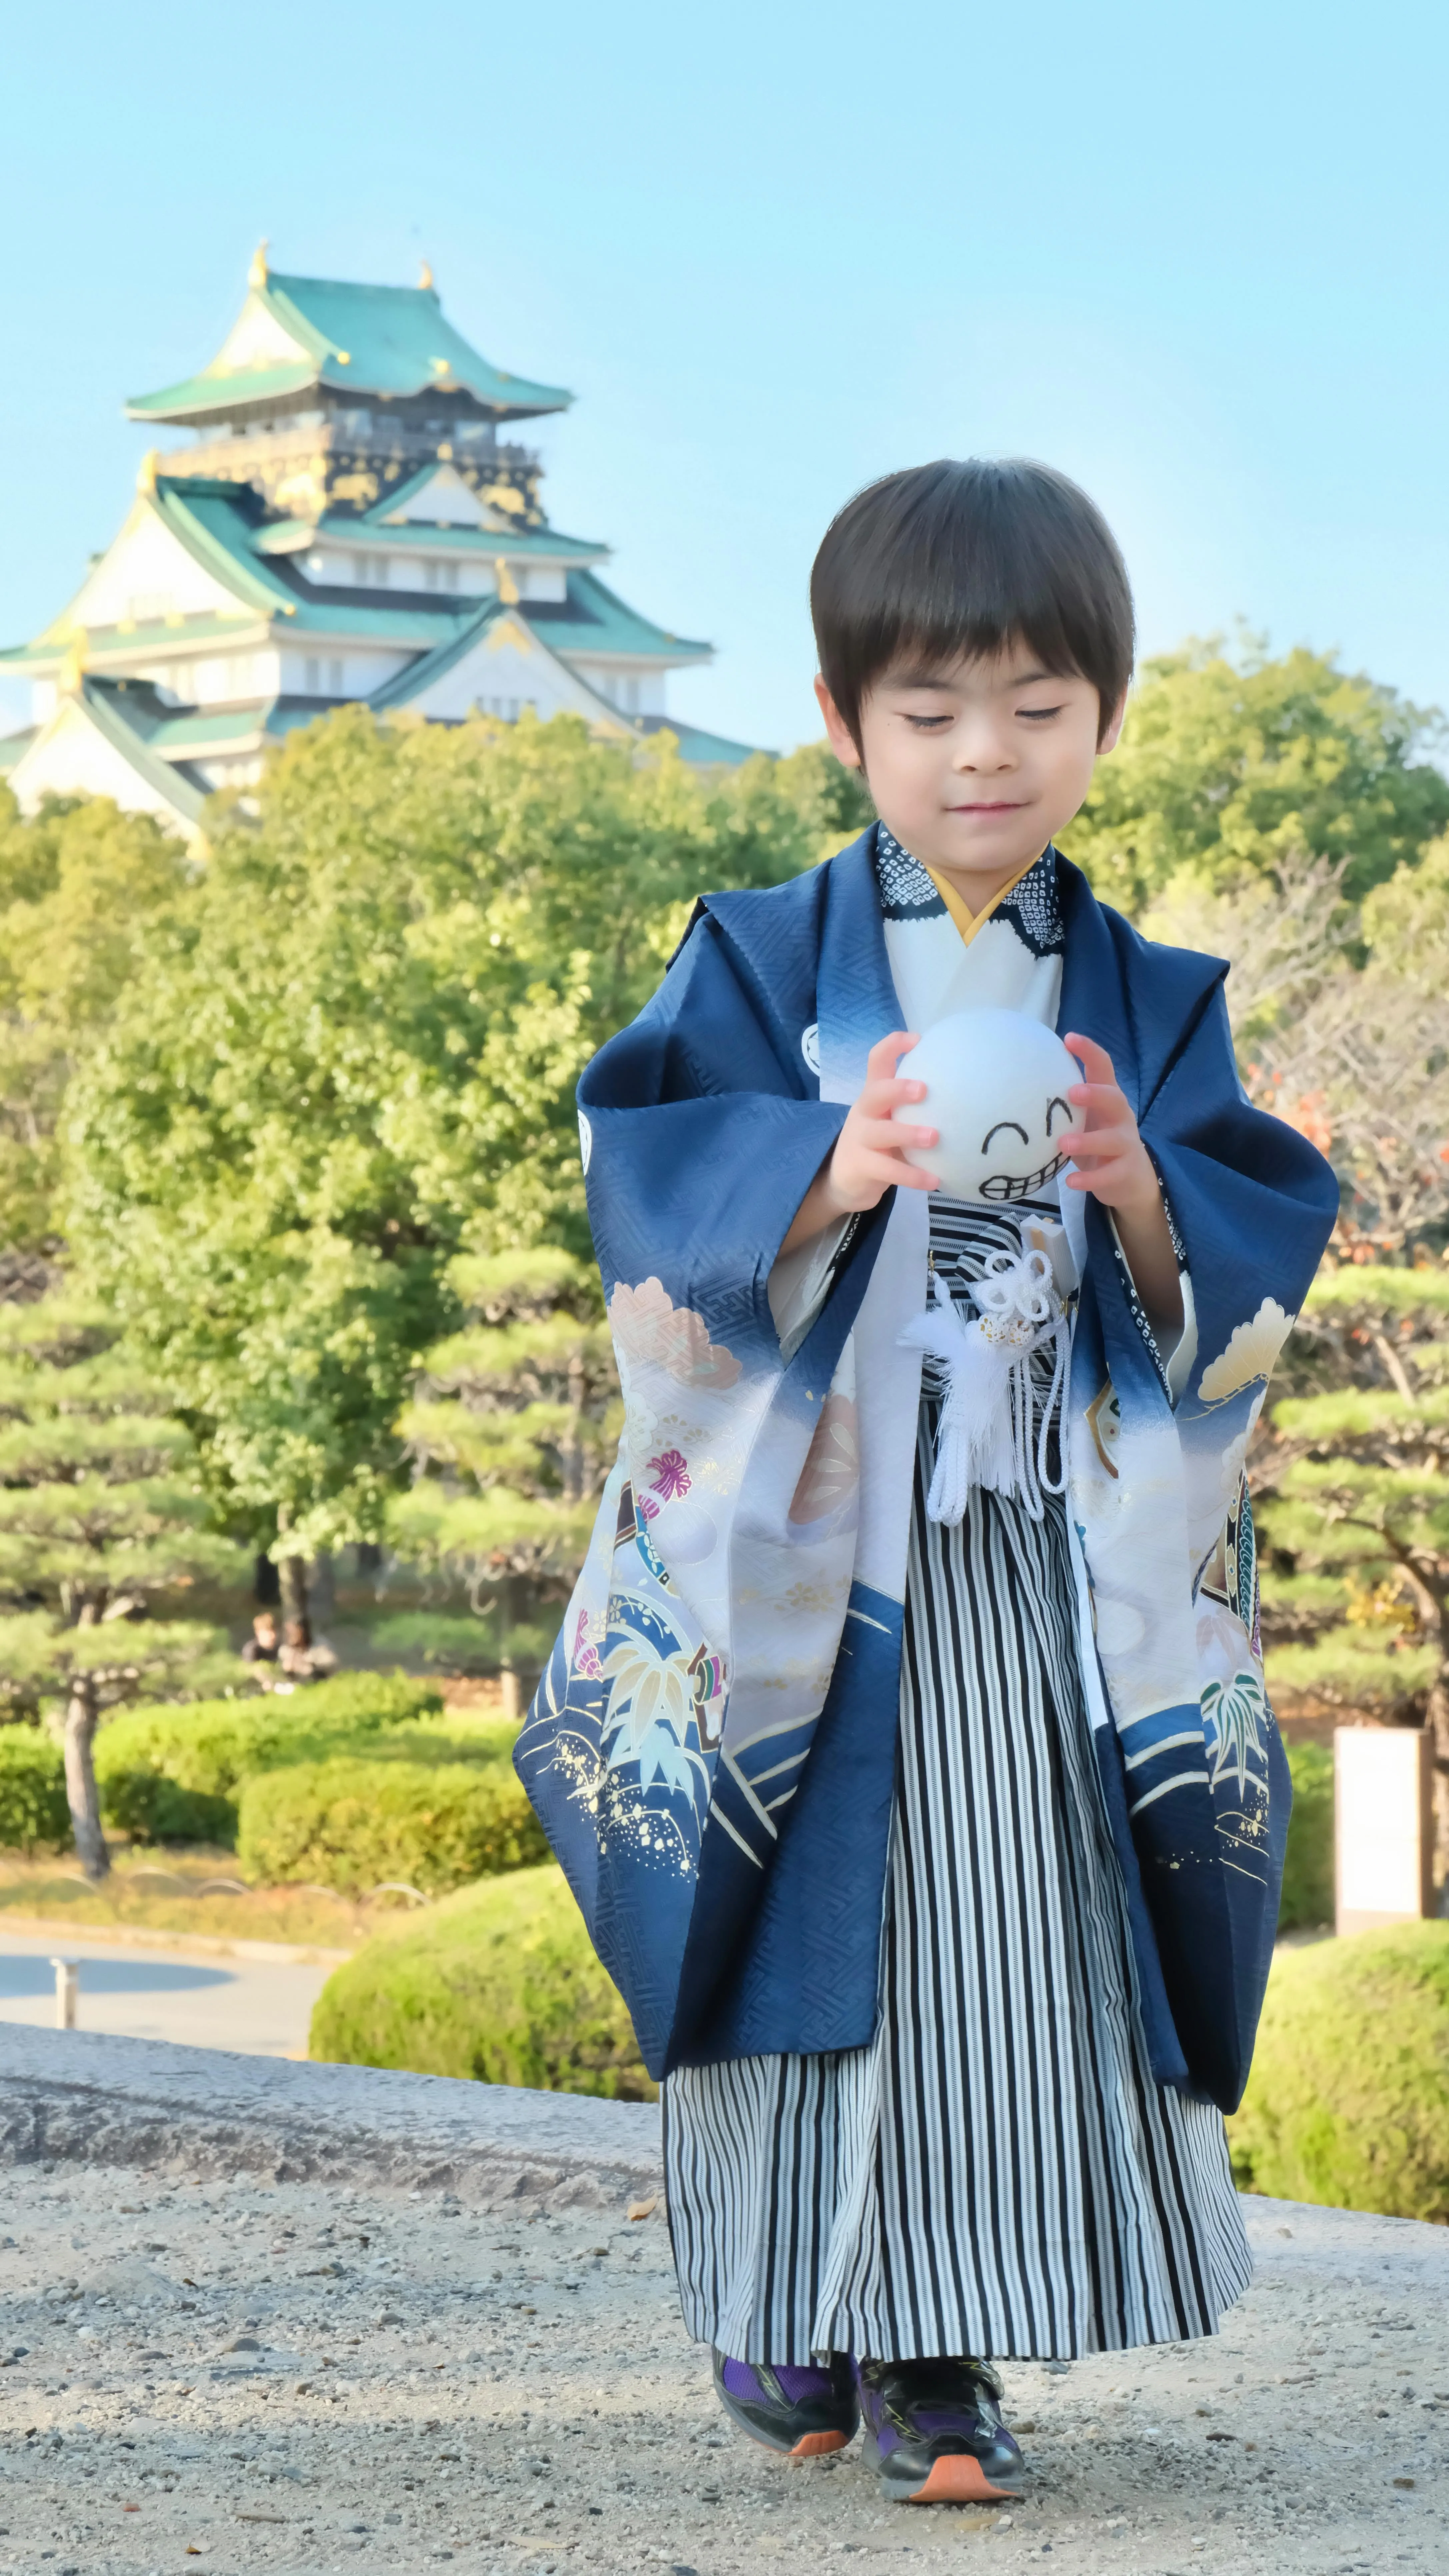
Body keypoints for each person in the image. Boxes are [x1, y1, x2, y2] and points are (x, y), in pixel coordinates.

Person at [515, 460, 1338, 2506]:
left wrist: (1151, 1197)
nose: (986, 754)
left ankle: (935, 2359)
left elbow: (1234, 1255)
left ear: (1106, 721)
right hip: (808, 1562)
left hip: (1039, 1565)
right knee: (797, 1927)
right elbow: (646, 1175)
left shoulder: (1150, 998)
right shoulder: (759, 955)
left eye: (1039, 706)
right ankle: (782, 2302)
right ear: (839, 720)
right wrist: (821, 1172)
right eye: (931, 710)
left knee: (998, 1941)